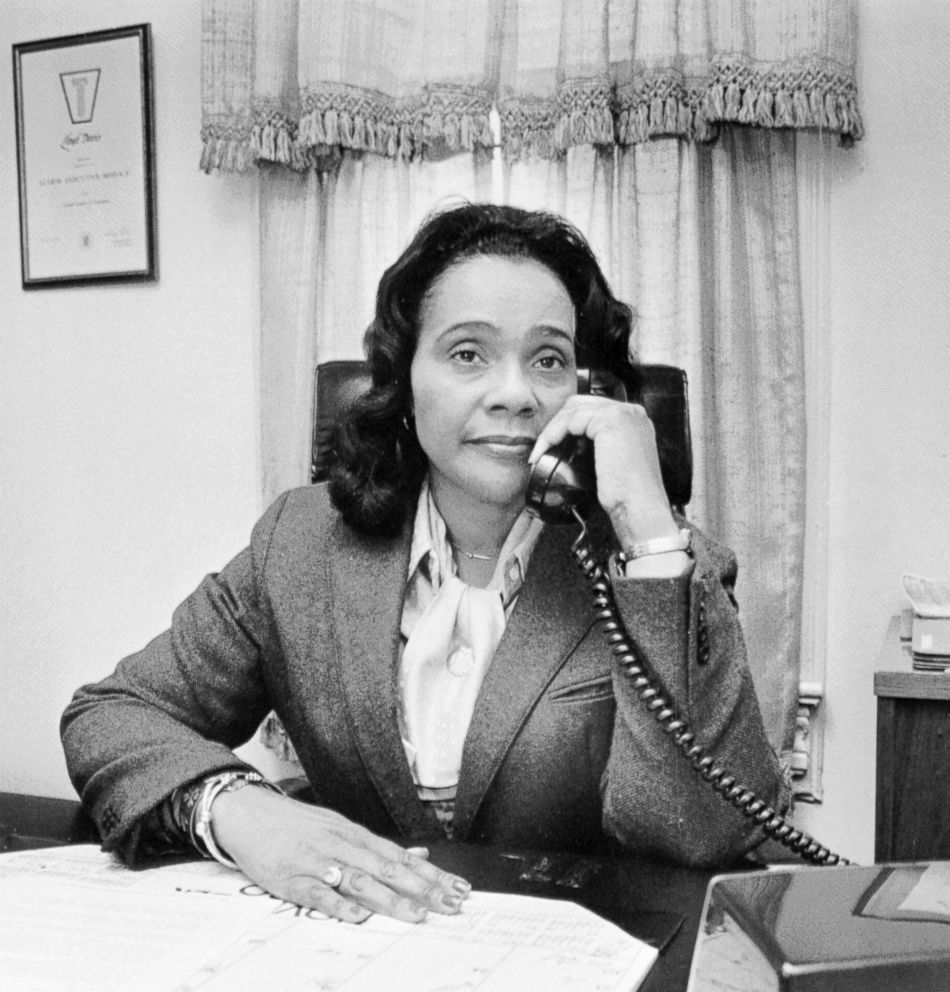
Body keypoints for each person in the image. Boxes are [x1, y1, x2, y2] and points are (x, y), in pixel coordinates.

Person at [61, 202, 789, 927]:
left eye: (549, 359)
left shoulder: (663, 567)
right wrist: (240, 811)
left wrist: (649, 540)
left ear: (588, 391)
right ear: (403, 383)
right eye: (468, 353)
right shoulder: (302, 545)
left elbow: (700, 837)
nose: (515, 393)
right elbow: (112, 715)